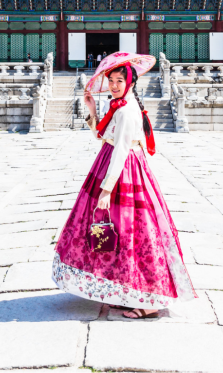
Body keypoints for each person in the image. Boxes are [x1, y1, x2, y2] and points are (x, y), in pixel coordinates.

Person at [52, 52, 196, 319]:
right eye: (112, 80)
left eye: (119, 80)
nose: (115, 85)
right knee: (116, 231)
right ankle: (125, 290)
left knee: (134, 231)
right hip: (111, 166)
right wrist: (92, 109)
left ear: (130, 83)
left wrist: (106, 190)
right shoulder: (116, 105)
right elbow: (102, 136)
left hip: (124, 171)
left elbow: (120, 151)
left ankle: (150, 300)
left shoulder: (127, 110)